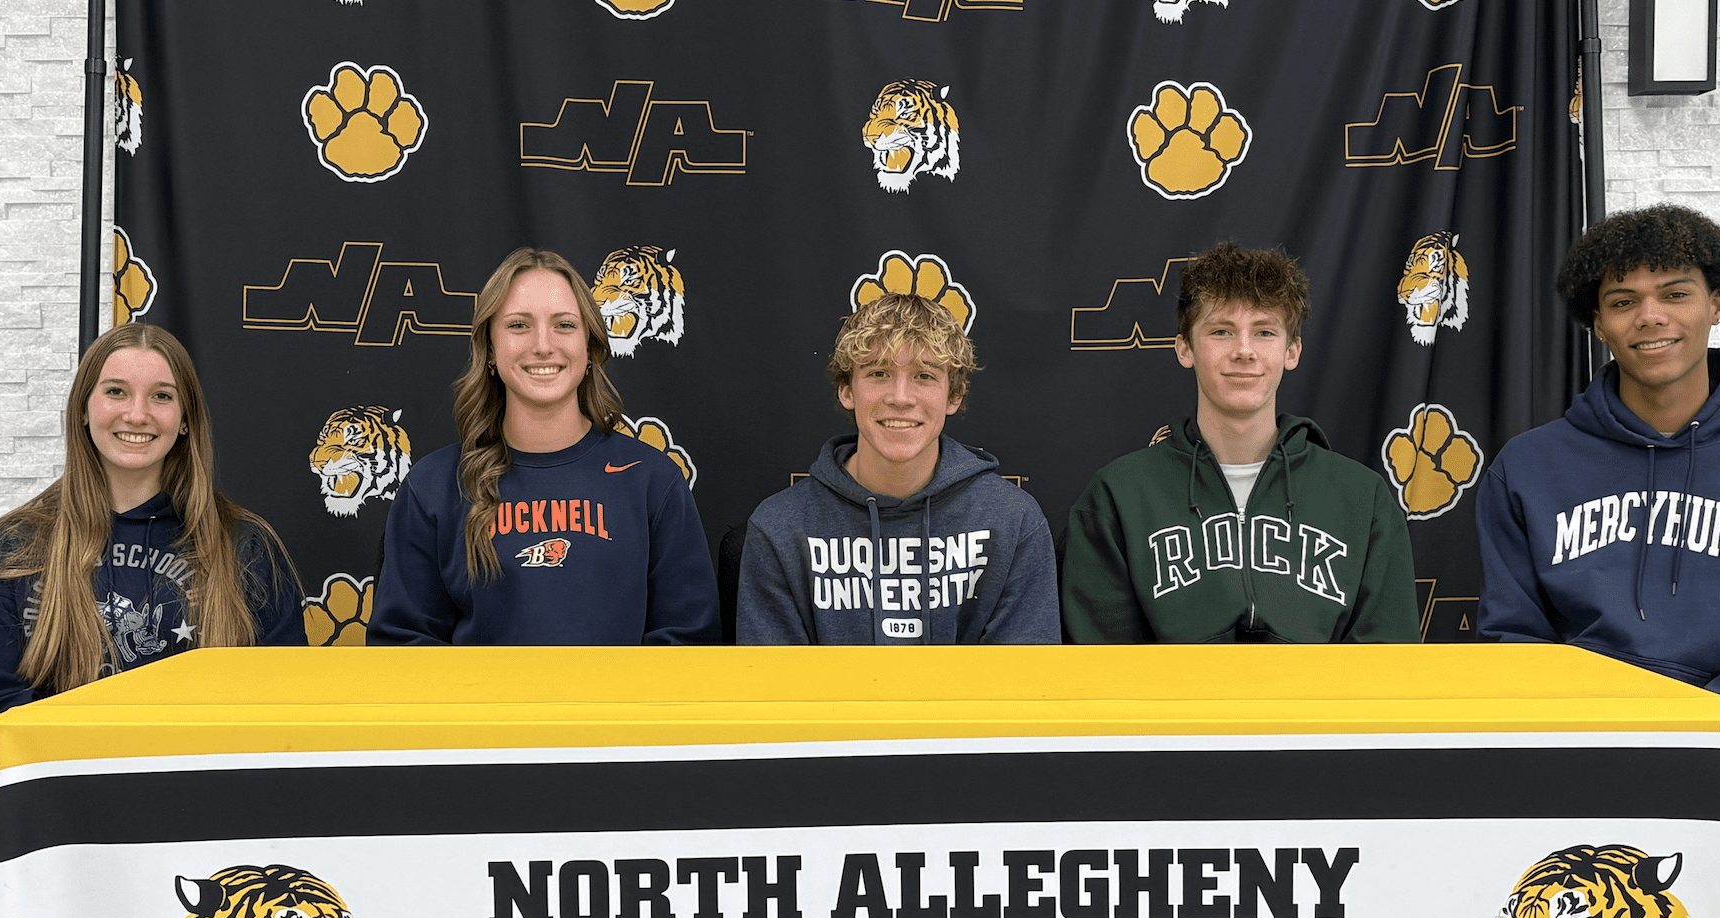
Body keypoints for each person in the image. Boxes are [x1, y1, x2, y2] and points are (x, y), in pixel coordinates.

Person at [1478, 203, 1720, 918]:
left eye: (1675, 293)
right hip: (1577, 747)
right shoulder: (1528, 468)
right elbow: (1513, 638)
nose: (1651, 317)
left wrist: (1698, 732)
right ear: (1598, 323)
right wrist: (1607, 733)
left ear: (1716, 305)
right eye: (1623, 301)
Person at [0, 324, 304, 743]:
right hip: (69, 781)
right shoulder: (14, 548)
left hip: (202, 779)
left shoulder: (245, 545)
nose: (137, 415)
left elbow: (282, 702)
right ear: (83, 410)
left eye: (162, 396)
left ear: (185, 419)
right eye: (116, 391)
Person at [1061, 242, 1418, 644]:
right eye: (1221, 331)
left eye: (1264, 332)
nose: (1244, 351)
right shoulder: (1119, 496)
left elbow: (1388, 661)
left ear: (1292, 351)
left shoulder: (1362, 498)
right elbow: (1102, 667)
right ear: (1185, 348)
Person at [368, 249, 719, 645]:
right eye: (518, 325)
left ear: (590, 347)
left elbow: (689, 646)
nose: (543, 345)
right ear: (490, 349)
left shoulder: (652, 481)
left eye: (564, 325)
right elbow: (403, 650)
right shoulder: (433, 487)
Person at [735, 293, 1058, 644]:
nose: (900, 398)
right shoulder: (779, 528)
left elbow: (1024, 678)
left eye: (924, 375)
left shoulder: (1014, 521)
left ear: (954, 396)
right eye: (879, 373)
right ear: (847, 390)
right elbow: (774, 679)